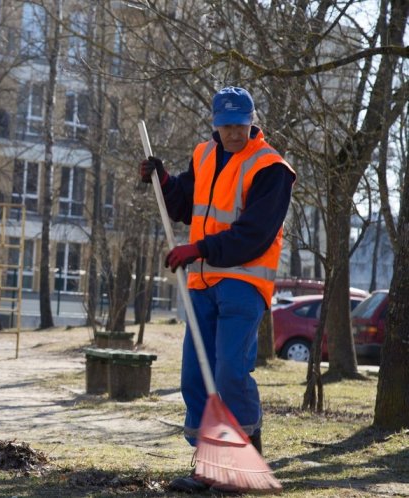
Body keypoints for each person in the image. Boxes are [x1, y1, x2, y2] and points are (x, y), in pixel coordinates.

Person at [139, 87, 295, 493]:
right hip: (203, 283)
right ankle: (209, 465)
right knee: (196, 374)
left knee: (228, 371)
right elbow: (185, 204)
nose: (232, 133)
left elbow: (254, 234)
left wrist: (199, 248)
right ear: (215, 124)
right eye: (225, 125)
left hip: (243, 283)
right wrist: (164, 181)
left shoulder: (271, 168)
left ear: (251, 121)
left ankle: (245, 463)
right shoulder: (204, 155)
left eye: (239, 125)